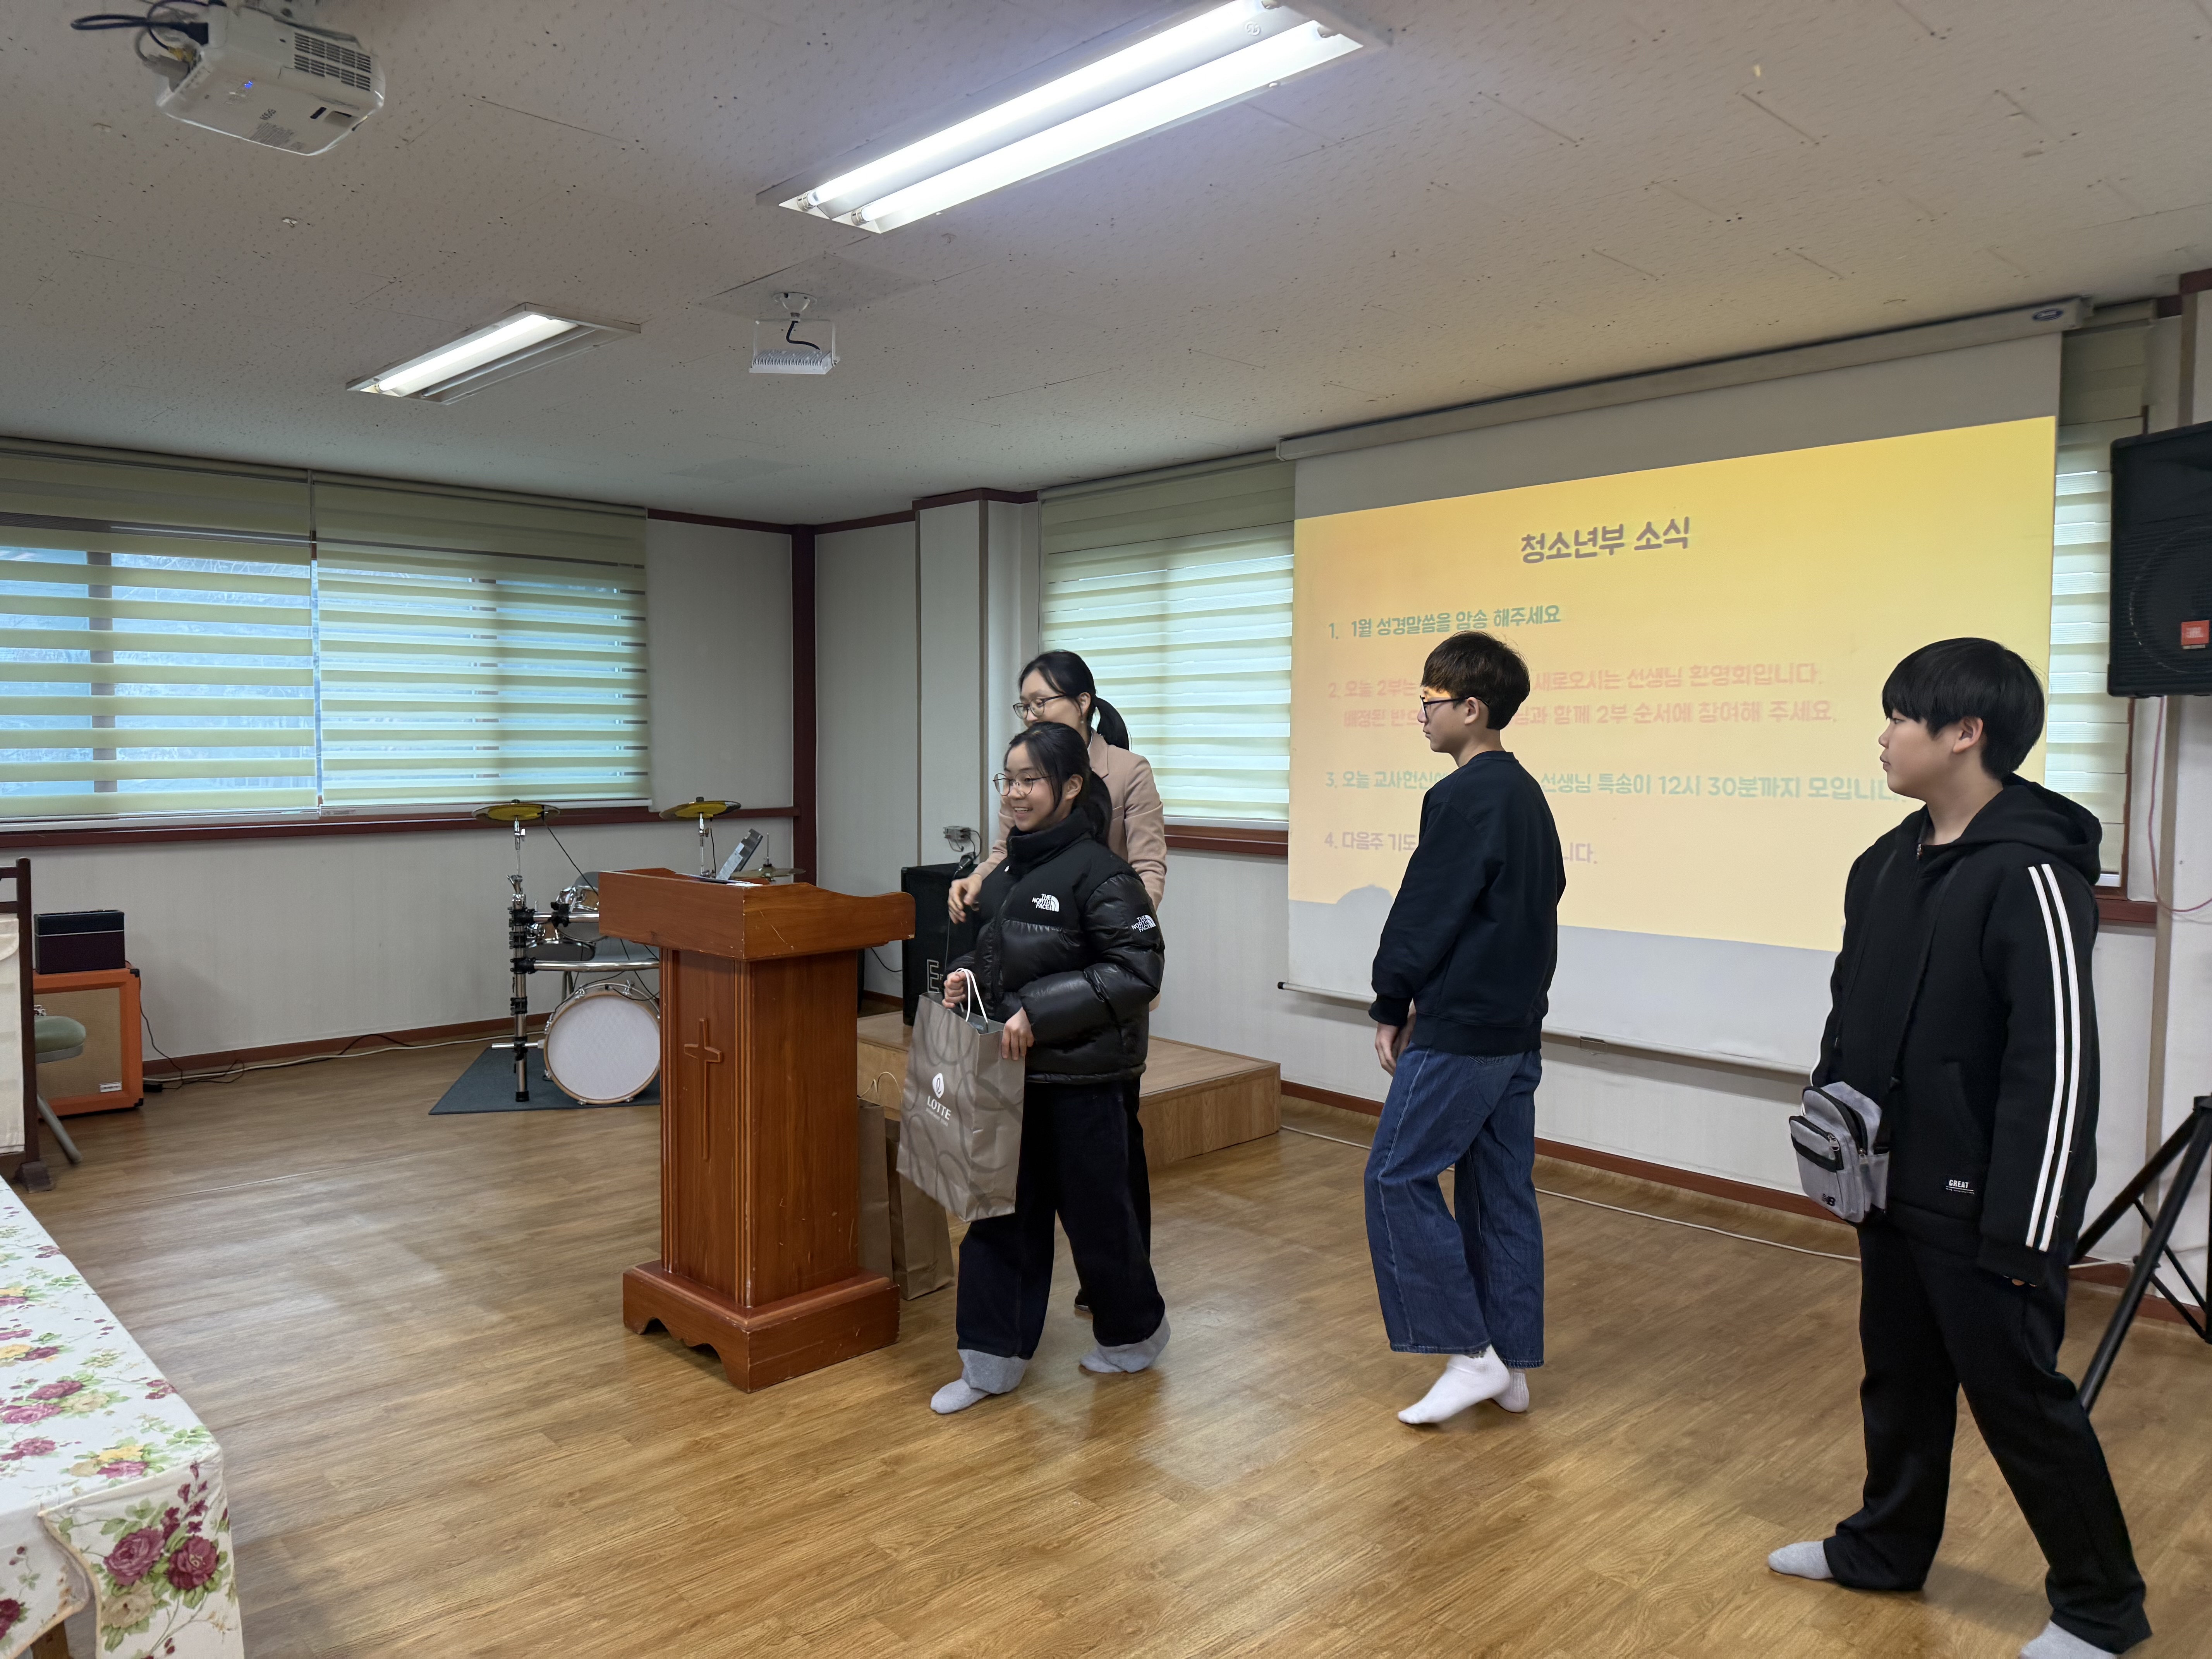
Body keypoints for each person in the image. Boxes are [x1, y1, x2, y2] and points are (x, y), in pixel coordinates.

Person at [1766, 639, 2149, 1659]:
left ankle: (2101, 1609)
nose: (1885, 736)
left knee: (2022, 1404)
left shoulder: (2032, 875)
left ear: (1966, 733)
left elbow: (2056, 1068)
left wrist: (2029, 1231)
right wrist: (1832, 1130)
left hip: (1989, 1207)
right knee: (1898, 1379)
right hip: (1888, 1183)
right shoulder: (1883, 864)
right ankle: (1883, 1548)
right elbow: (1850, 1012)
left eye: (1902, 717)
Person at [929, 719, 1168, 1414]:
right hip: (1006, 1075)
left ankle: (1134, 1336)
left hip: (1083, 1080)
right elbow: (1003, 954)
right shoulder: (1008, 870)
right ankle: (989, 1362)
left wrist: (1039, 1011)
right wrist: (968, 975)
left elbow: (1137, 970)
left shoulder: (1104, 873)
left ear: (1070, 787)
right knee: (998, 1217)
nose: (1014, 793)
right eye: (1007, 780)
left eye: (1029, 780)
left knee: (1100, 1222)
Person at [1364, 630, 1564, 1427]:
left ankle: (1469, 1352)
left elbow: (1426, 909)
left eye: (1430, 700)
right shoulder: (1528, 795)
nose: (1421, 714)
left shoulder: (1463, 796)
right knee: (1500, 1190)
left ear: (1472, 708)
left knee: (1395, 1176)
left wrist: (1392, 1000)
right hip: (1516, 1028)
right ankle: (1509, 1364)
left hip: (1464, 1032)